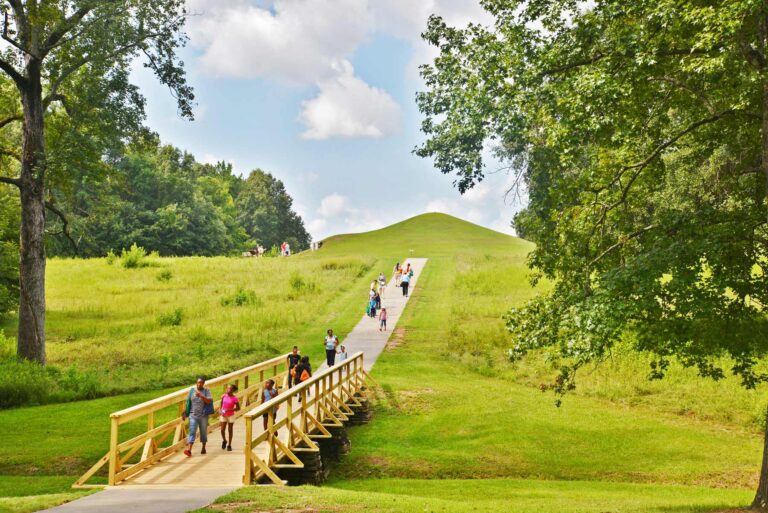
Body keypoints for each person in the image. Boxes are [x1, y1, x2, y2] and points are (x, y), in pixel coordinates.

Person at [183, 377, 213, 457]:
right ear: (196, 383)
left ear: (204, 383)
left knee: (203, 433)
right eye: (198, 382)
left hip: (203, 416)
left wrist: (201, 396)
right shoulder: (192, 391)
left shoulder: (206, 391)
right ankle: (189, 450)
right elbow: (188, 402)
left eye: (201, 383)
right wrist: (184, 412)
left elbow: (209, 401)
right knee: (192, 432)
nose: (199, 384)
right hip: (193, 415)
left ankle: (203, 447)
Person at [219, 384, 240, 451]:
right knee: (222, 430)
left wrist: (230, 410)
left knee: (230, 430)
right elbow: (221, 403)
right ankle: (224, 440)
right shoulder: (224, 396)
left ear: (233, 390)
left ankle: (229, 445)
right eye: (227, 388)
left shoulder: (235, 398)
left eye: (230, 389)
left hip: (231, 415)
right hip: (223, 414)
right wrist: (220, 410)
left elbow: (238, 408)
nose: (228, 390)